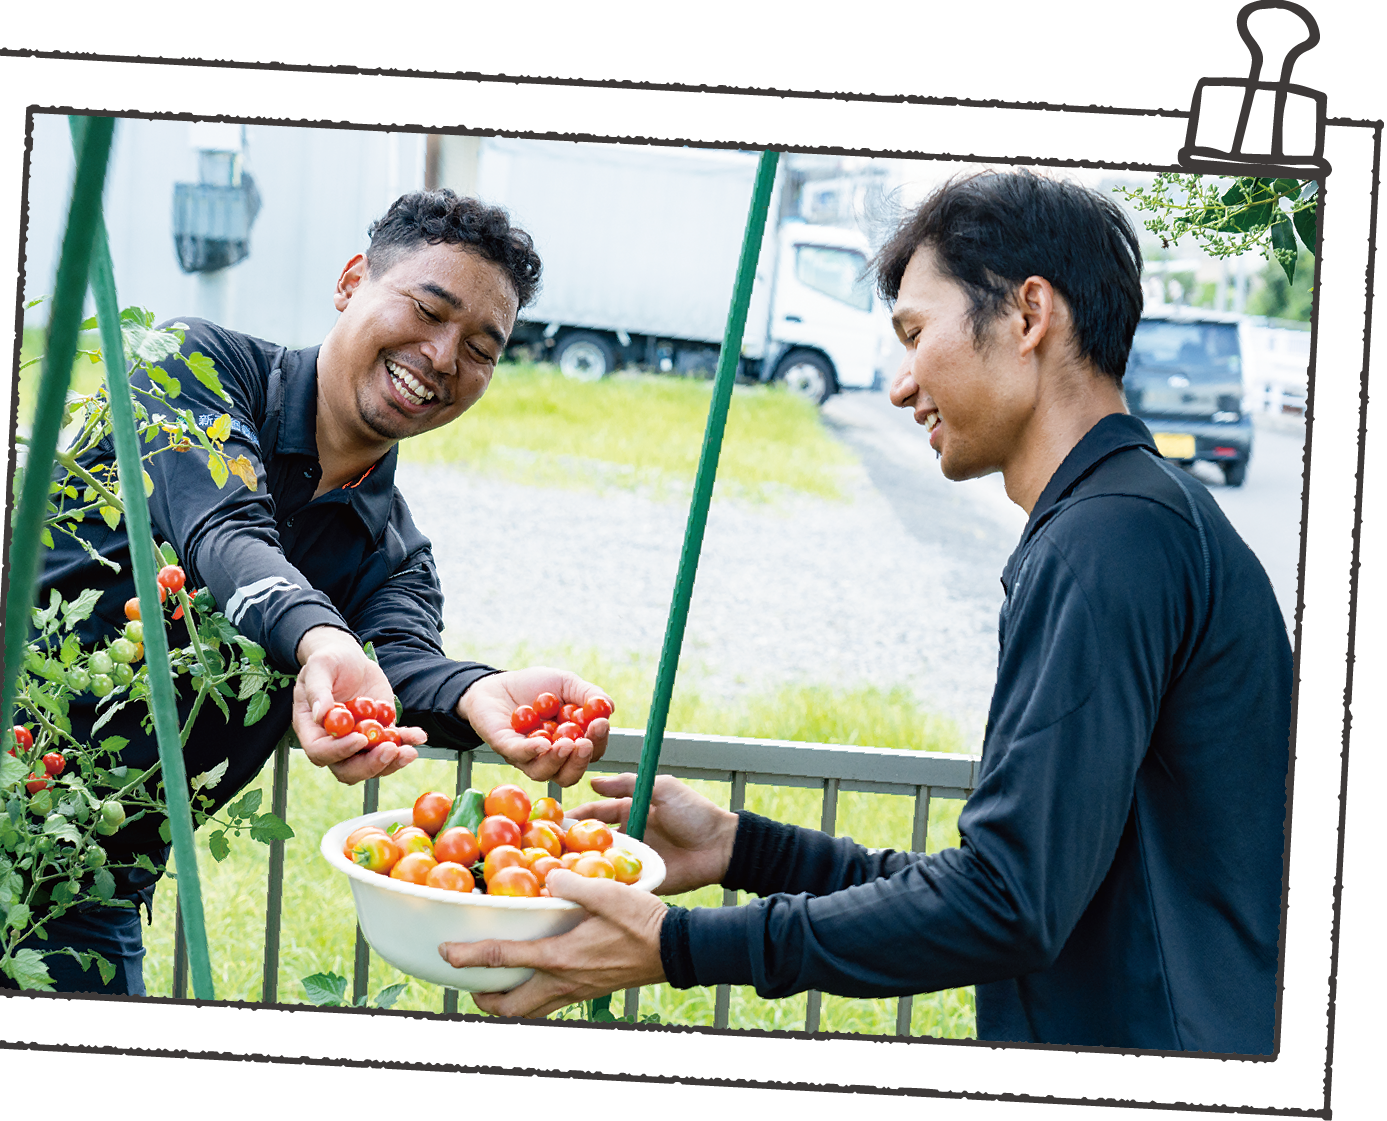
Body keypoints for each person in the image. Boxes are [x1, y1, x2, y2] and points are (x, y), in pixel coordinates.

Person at [440, 170, 1294, 1056]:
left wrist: (678, 946)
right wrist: (741, 847)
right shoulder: (1134, 518)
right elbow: (1002, 881)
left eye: (916, 334)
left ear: (1028, 314)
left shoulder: (1109, 539)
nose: (899, 384)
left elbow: (1005, 902)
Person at [3, 190, 614, 994]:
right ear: (352, 280)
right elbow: (223, 527)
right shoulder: (191, 364)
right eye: (428, 309)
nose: (442, 356)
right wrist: (323, 637)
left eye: (479, 348)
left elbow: (400, 664)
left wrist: (478, 692)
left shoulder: (394, 551)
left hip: (90, 885)